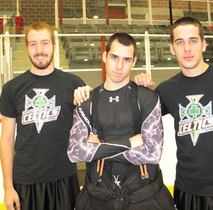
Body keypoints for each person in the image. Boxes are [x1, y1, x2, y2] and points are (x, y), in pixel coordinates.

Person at [133, 17, 213, 210]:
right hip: (187, 193)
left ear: (204, 44)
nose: (187, 48)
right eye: (180, 42)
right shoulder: (167, 90)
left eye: (193, 40)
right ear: (172, 48)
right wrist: (141, 89)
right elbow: (136, 120)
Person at [68, 33, 176, 210]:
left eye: (126, 60)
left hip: (145, 198)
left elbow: (152, 153)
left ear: (134, 62)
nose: (119, 66)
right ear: (104, 57)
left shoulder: (147, 97)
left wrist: (98, 148)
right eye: (114, 57)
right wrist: (129, 143)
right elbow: (75, 152)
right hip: (98, 198)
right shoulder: (87, 101)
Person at [0, 21, 85, 210]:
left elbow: (91, 126)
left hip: (64, 177)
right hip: (25, 182)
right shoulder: (12, 89)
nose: (39, 50)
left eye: (45, 43)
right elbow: (7, 140)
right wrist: (7, 187)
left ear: (54, 46)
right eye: (33, 44)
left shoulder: (73, 84)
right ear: (27, 47)